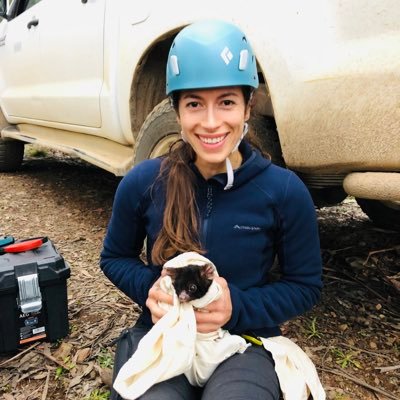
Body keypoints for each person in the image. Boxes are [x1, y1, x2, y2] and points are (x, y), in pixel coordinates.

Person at [100, 19, 323, 400]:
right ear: (176, 109)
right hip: (165, 334)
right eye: (193, 104)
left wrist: (236, 305)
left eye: (226, 102)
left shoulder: (284, 191)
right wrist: (149, 290)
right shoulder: (143, 182)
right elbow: (115, 257)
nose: (210, 122)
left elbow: (305, 285)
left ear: (248, 105)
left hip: (246, 340)